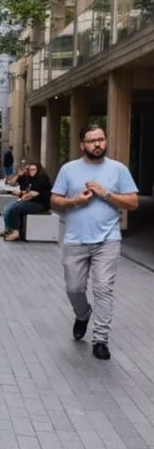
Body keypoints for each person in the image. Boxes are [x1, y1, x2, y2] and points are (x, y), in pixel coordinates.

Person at [50, 124, 138, 360]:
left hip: (108, 240)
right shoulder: (68, 170)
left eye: (101, 139)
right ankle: (82, 314)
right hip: (75, 239)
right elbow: (54, 201)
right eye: (92, 141)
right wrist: (75, 201)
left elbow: (132, 202)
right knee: (74, 288)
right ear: (82, 145)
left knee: (103, 289)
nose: (98, 144)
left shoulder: (118, 170)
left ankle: (100, 339)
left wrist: (106, 194)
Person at [0, 161, 51, 240]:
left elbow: (31, 194)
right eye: (30, 170)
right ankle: (11, 230)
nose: (31, 171)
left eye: (34, 169)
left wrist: (21, 198)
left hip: (40, 204)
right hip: (32, 201)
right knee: (11, 208)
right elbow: (17, 186)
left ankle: (15, 232)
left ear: (38, 170)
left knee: (15, 208)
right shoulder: (29, 177)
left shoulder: (42, 178)